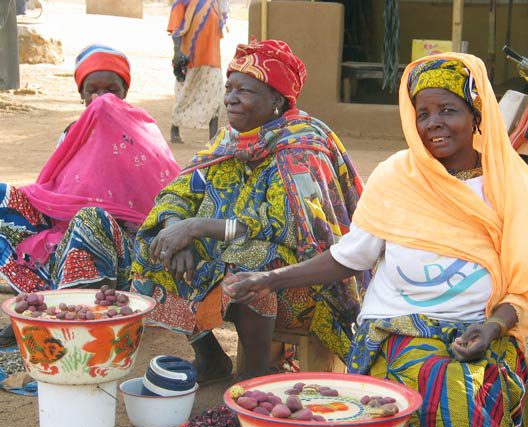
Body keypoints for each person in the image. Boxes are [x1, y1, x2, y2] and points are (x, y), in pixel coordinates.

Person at [223, 54, 528, 427]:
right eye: (423, 114)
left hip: (483, 330)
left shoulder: (514, 187)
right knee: (435, 381)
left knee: (467, 389)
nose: (433, 124)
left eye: (448, 110)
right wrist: (270, 279)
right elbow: (348, 257)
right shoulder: (396, 177)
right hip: (397, 328)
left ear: (476, 115)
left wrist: (491, 328)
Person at [131, 39, 364, 382]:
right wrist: (177, 228)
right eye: (229, 88)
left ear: (277, 100)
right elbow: (178, 190)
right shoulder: (228, 141)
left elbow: (282, 229)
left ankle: (255, 378)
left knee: (251, 256)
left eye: (245, 90)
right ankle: (210, 357)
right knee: (158, 245)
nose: (231, 98)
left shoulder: (300, 149)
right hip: (227, 262)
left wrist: (197, 227)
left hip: (302, 285)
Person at [0, 44, 181, 346]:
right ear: (81, 95)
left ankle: (67, 320)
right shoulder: (72, 134)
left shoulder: (141, 133)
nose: (102, 98)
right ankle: (39, 301)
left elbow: (162, 200)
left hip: (129, 254)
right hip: (66, 236)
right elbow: (56, 190)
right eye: (92, 91)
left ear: (125, 92)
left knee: (90, 218)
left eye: (112, 89)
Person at [168, 0, 226, 144]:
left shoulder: (216, 3)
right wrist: (177, 53)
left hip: (213, 59)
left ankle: (212, 137)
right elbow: (175, 28)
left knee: (216, 96)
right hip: (191, 58)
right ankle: (175, 127)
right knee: (185, 94)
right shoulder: (183, 1)